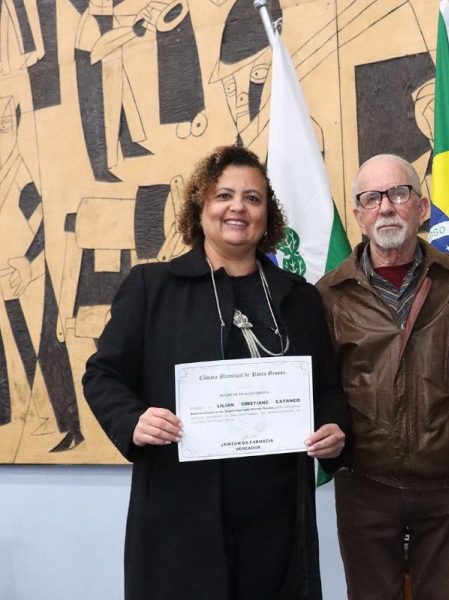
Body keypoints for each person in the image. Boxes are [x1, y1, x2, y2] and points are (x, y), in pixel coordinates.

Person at [82, 145, 348, 600]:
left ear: (268, 215)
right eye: (224, 195)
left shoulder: (298, 297)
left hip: (278, 519)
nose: (237, 208)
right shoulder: (153, 289)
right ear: (200, 206)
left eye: (253, 198)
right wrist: (133, 420)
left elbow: (325, 387)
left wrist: (335, 430)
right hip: (179, 515)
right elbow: (102, 374)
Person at [316, 153, 449, 600]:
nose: (386, 206)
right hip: (365, 486)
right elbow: (320, 388)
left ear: (422, 206)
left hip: (448, 488)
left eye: (399, 193)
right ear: (358, 216)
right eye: (371, 198)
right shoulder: (328, 298)